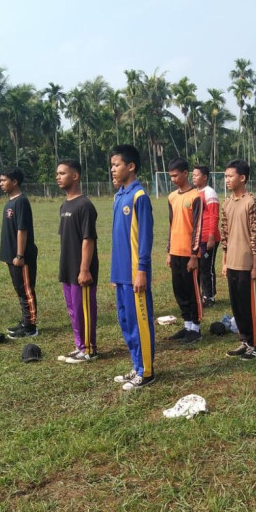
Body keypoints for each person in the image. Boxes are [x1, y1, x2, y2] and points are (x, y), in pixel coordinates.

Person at [110, 144, 156, 390]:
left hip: (135, 274)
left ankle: (147, 372)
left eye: (116, 164)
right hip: (120, 274)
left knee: (140, 323)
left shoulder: (139, 196)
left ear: (131, 166)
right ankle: (136, 366)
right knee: (126, 322)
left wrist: (141, 271)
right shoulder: (119, 195)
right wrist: (115, 273)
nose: (113, 169)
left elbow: (145, 239)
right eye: (112, 165)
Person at [55, 159, 99, 363]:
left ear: (75, 176)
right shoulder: (64, 205)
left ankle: (89, 349)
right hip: (67, 267)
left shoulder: (85, 205)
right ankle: (80, 345)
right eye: (57, 174)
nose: (58, 177)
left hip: (82, 269)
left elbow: (88, 239)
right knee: (73, 309)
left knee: (84, 310)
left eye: (62, 173)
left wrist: (84, 269)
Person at [220, 159, 256, 360]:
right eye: (226, 176)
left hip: (247, 263)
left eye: (230, 176)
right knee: (237, 305)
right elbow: (225, 235)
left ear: (242, 178)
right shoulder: (227, 203)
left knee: (251, 305)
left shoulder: (251, 202)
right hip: (232, 262)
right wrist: (224, 261)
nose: (227, 179)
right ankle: (244, 341)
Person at [166, 158, 204, 345]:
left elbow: (198, 227)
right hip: (175, 252)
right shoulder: (172, 197)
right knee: (179, 289)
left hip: (190, 254)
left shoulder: (196, 196)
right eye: (170, 176)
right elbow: (171, 225)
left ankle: (196, 328)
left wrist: (194, 255)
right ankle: (187, 324)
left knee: (192, 291)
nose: (173, 179)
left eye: (175, 175)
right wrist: (168, 251)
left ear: (185, 174)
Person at [0, 167, 39, 339]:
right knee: (19, 290)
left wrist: (20, 255)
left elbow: (22, 230)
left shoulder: (21, 202)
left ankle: (30, 327)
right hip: (12, 256)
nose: (1, 183)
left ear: (15, 182)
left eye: (4, 180)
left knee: (26, 290)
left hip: (21, 257)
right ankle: (25, 320)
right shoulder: (10, 202)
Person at [193, 165, 221, 306]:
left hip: (208, 238)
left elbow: (214, 216)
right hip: (198, 238)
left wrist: (211, 237)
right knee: (199, 267)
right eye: (193, 175)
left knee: (207, 267)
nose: (193, 177)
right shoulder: (194, 192)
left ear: (205, 177)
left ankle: (209, 297)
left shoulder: (210, 193)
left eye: (196, 175)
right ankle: (201, 294)